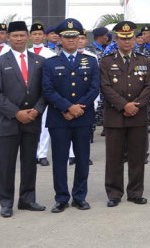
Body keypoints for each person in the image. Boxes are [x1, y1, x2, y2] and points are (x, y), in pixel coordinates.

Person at [41, 19, 100, 213]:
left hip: (83, 117)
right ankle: (61, 198)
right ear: (60, 40)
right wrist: (67, 108)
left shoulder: (90, 61)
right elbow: (48, 90)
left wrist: (77, 108)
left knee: (82, 159)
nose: (72, 40)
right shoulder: (50, 63)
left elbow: (94, 88)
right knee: (60, 160)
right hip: (60, 118)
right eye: (67, 37)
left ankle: (79, 196)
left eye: (75, 37)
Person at [0, 21, 47, 217]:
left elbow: (45, 92)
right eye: (14, 36)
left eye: (22, 35)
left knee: (28, 162)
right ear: (8, 38)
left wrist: (36, 111)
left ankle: (27, 199)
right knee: (6, 165)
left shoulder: (39, 62)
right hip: (9, 120)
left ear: (28, 37)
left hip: (32, 120)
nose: (19, 39)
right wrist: (16, 113)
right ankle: (6, 202)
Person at [98, 21, 150, 207]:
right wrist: (124, 105)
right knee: (114, 157)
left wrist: (135, 105)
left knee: (137, 156)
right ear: (116, 39)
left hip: (138, 114)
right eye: (123, 38)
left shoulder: (143, 60)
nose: (127, 42)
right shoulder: (106, 61)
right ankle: (114, 193)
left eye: (130, 38)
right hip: (115, 115)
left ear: (135, 39)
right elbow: (105, 87)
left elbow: (148, 86)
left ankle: (135, 192)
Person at [28, 22, 55, 167]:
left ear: (44, 36)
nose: (37, 37)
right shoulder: (25, 53)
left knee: (45, 124)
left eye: (39, 34)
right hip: (29, 93)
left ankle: (42, 154)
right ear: (30, 36)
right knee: (30, 125)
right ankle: (32, 153)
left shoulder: (50, 54)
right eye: (34, 34)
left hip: (45, 93)